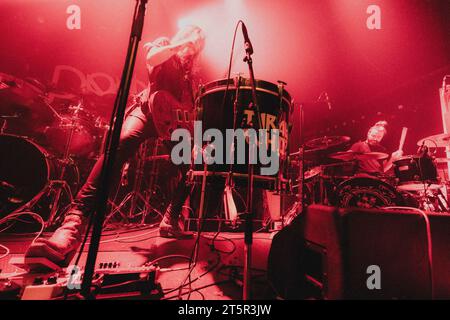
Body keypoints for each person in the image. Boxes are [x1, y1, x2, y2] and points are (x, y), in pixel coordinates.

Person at [25, 25, 206, 266]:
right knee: (121, 142)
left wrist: (195, 138)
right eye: (194, 38)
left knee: (192, 169)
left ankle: (171, 220)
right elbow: (152, 57)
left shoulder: (192, 74)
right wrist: (180, 45)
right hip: (148, 110)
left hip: (174, 124)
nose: (197, 44)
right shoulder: (165, 45)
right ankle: (73, 223)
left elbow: (191, 108)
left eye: (200, 42)